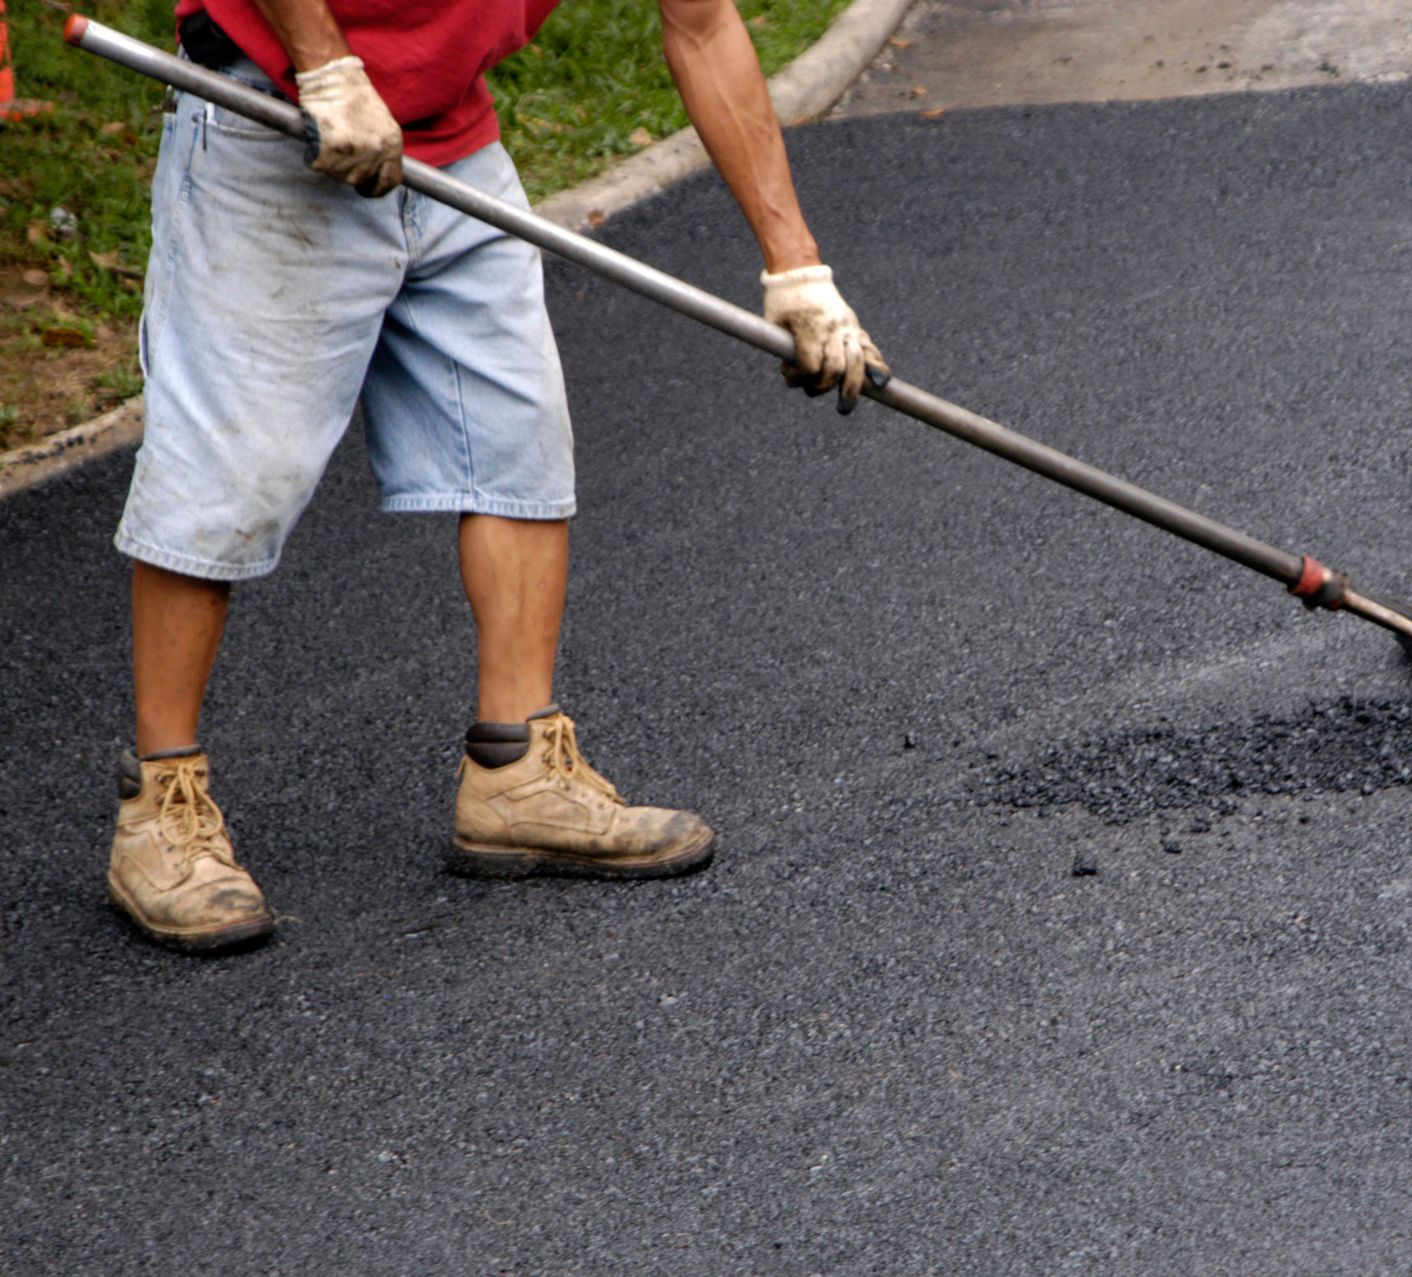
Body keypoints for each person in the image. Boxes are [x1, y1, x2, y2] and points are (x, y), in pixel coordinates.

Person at [108, 0, 888, 953]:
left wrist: (794, 267)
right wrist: (326, 70)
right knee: (230, 475)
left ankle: (516, 769)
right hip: (275, 117)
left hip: (452, 141)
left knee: (513, 437)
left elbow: (703, 24)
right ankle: (161, 806)